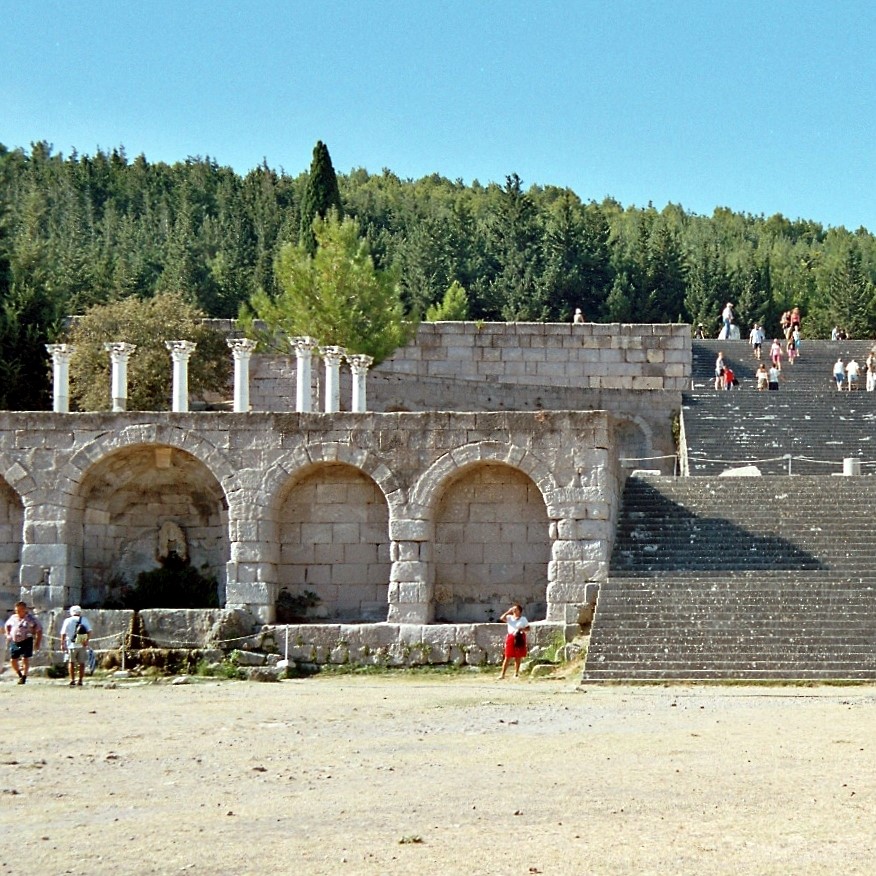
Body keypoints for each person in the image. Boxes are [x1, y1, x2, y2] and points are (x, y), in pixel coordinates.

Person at [5, 601, 43, 684]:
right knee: (13, 659)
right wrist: (8, 634)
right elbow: (7, 625)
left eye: (19, 610)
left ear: (24, 610)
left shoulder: (31, 619)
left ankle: (24, 676)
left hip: (26, 640)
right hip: (15, 641)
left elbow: (39, 630)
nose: (17, 612)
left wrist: (37, 642)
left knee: (25, 658)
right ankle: (19, 674)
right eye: (16, 610)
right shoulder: (13, 617)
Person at [60, 605, 92, 687]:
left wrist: (62, 643)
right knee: (81, 663)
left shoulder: (67, 620)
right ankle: (80, 680)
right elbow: (89, 631)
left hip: (71, 644)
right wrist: (86, 641)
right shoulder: (84, 620)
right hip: (81, 644)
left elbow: (63, 633)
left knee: (71, 662)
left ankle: (72, 679)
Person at [499, 603, 529, 679]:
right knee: (507, 656)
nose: (514, 610)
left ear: (519, 611)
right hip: (511, 637)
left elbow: (528, 628)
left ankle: (516, 673)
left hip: (519, 637)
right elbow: (502, 618)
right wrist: (508, 612)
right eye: (513, 609)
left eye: (516, 609)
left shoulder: (523, 619)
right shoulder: (509, 618)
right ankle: (502, 674)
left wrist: (521, 629)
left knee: (518, 656)